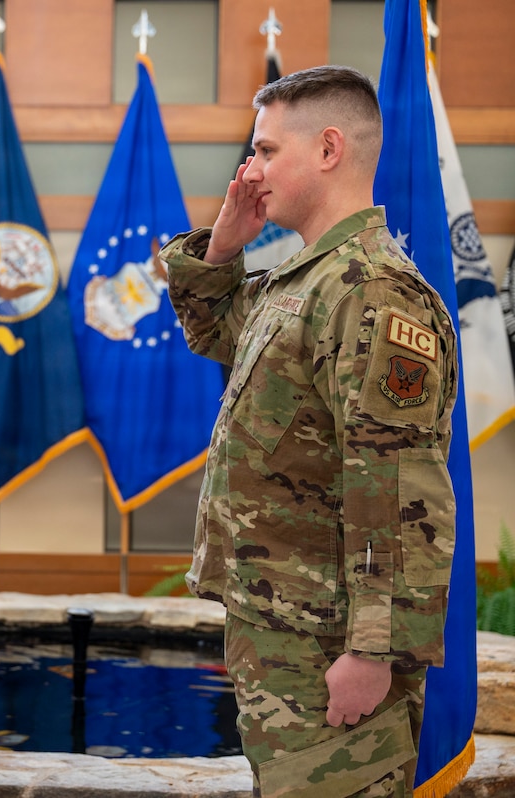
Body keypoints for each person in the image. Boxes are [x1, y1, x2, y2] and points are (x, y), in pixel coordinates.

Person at [160, 66, 457, 798]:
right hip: (283, 632)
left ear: (329, 149)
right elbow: (217, 334)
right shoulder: (305, 279)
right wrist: (222, 249)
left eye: (264, 150)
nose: (248, 170)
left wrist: (372, 650)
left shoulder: (372, 290)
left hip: (329, 644)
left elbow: (394, 486)